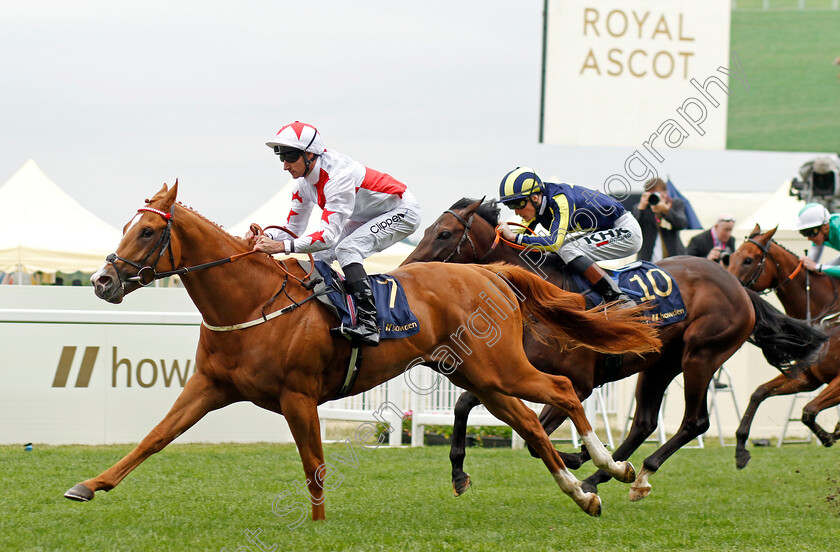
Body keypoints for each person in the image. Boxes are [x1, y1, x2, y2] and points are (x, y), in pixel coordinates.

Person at [247, 121, 422, 346]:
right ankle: (336, 312)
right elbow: (292, 232)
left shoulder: (338, 177)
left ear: (309, 154)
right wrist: (266, 239)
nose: (285, 165)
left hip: (402, 210)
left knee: (347, 249)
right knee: (320, 257)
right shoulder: (302, 185)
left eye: (290, 157)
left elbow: (327, 236)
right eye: (281, 157)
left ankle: (369, 325)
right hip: (366, 215)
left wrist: (281, 247)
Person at [496, 167, 642, 305]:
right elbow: (515, 241)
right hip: (604, 229)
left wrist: (514, 237)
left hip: (626, 231)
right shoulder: (538, 205)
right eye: (510, 206)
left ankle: (617, 297)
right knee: (562, 250)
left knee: (566, 249)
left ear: (534, 197)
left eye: (517, 204)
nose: (516, 212)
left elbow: (553, 243)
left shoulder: (560, 200)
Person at [633, 178, 688, 262]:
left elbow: (682, 224)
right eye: (650, 193)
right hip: (649, 258)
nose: (653, 195)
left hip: (673, 257)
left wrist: (666, 210)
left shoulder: (675, 204)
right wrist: (641, 208)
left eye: (656, 192)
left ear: (665, 193)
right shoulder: (642, 208)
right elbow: (634, 230)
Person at [796, 202, 840, 278]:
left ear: (825, 227)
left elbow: (815, 266)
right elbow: (811, 263)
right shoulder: (820, 234)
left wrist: (817, 267)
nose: (809, 238)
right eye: (804, 233)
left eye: (811, 232)